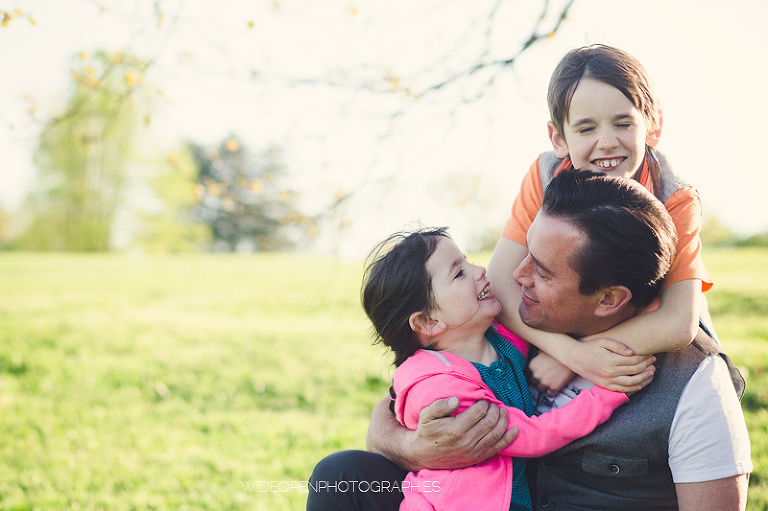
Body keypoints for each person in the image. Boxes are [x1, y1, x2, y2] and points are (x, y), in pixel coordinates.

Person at [307, 171, 751, 510]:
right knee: (339, 475)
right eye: (526, 254)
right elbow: (397, 402)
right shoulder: (519, 323)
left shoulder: (694, 386)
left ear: (608, 299)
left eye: (542, 269)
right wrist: (411, 446)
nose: (514, 277)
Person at [489, 44, 718, 398]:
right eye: (586, 129)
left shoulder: (674, 195)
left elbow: (677, 322)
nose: (607, 142)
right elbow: (500, 283)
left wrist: (575, 358)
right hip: (561, 324)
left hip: (640, 329)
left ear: (653, 126)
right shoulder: (546, 175)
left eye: (623, 123)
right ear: (559, 138)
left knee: (698, 364)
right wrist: (569, 353)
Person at [355, 226, 635, 510]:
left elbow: (546, 337)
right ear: (429, 322)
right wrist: (607, 393)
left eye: (468, 261)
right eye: (459, 273)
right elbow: (533, 436)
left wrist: (573, 353)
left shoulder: (498, 339)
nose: (479, 271)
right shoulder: (442, 391)